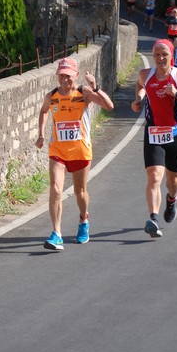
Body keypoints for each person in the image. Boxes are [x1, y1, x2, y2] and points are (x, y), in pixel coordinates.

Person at [35, 56, 114, 250]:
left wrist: (95, 88)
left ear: (76, 75)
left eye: (68, 76)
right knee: (55, 189)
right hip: (58, 151)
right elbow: (44, 111)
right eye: (62, 75)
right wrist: (41, 134)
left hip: (80, 151)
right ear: (57, 76)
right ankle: (57, 233)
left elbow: (109, 106)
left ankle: (83, 220)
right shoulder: (51, 96)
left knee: (80, 192)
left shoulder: (83, 93)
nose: (65, 80)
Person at [130, 39, 177, 238]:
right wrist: (138, 99)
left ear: (172, 56)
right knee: (154, 177)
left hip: (175, 134)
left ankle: (172, 200)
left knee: (173, 179)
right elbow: (139, 85)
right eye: (157, 55)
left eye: (164, 54)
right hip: (153, 133)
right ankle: (153, 218)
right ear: (153, 57)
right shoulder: (146, 75)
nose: (160, 58)